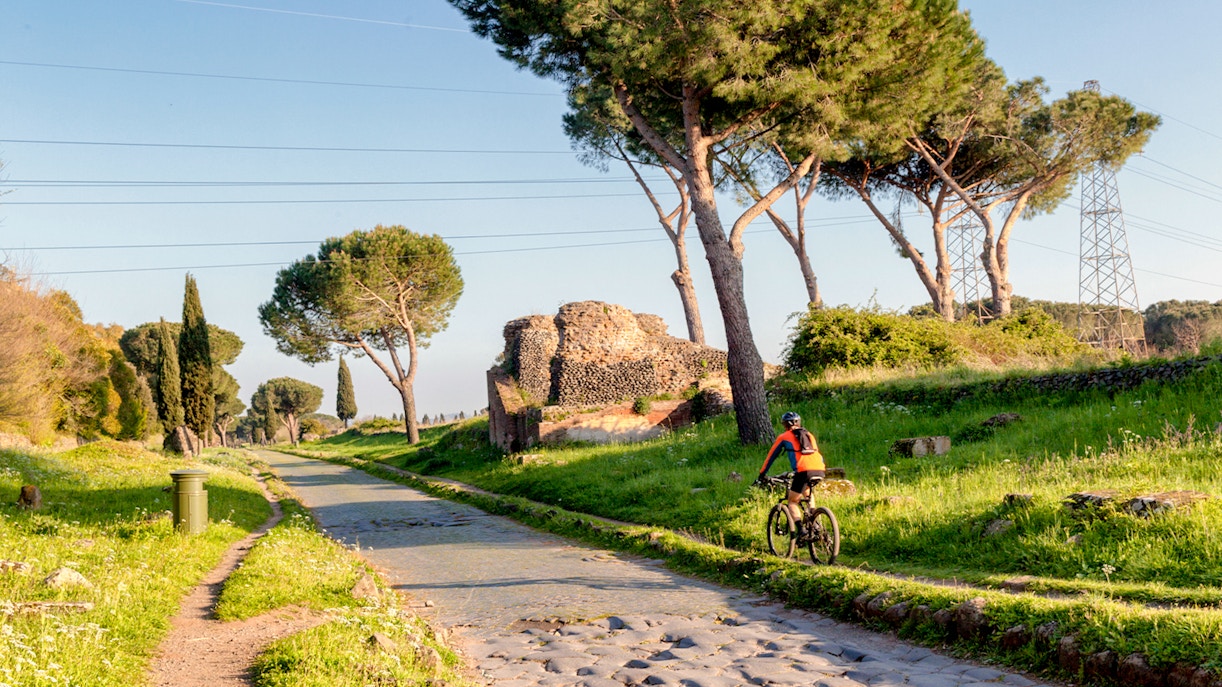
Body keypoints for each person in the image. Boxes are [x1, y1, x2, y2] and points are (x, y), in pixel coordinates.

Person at [754, 411, 825, 522]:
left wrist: (762, 473)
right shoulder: (809, 435)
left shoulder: (784, 437)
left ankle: (801, 529)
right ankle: (815, 521)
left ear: (785, 425)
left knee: (792, 501)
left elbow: (771, 457)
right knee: (807, 492)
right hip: (820, 469)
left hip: (803, 471)